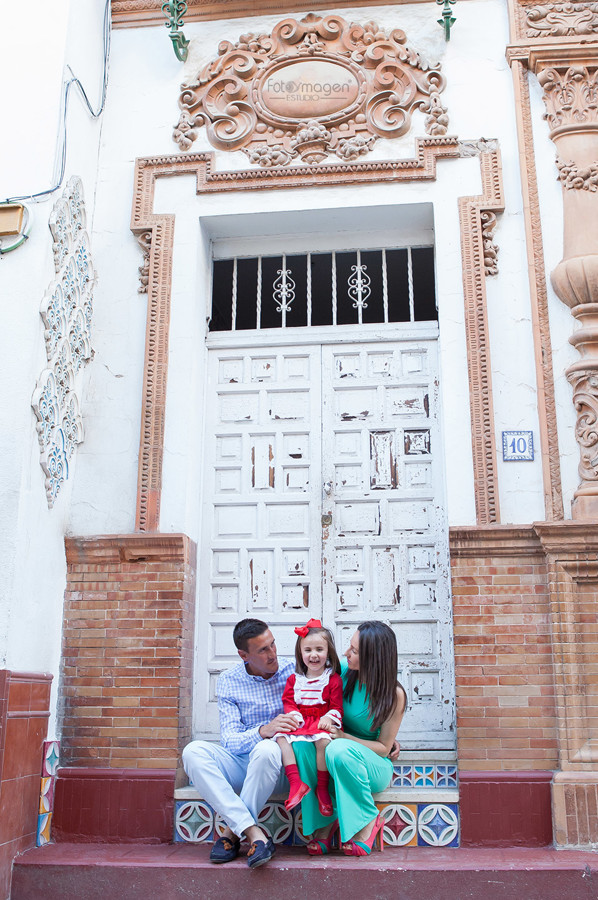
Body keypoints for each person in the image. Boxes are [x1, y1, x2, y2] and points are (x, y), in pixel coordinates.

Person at [182, 618, 299, 868]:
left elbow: (336, 689)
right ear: (244, 655)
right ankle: (253, 833)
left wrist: (381, 737)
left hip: (277, 765)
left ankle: (231, 834)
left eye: (273, 645)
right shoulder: (228, 681)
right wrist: (263, 730)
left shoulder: (294, 670)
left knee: (267, 749)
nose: (272, 654)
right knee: (193, 752)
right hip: (242, 762)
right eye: (263, 650)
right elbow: (231, 742)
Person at [292, 620, 406, 857]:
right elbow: (305, 667)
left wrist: (344, 737)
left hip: (372, 764)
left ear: (373, 658)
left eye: (354, 650)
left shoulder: (394, 695)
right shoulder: (343, 671)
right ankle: (325, 818)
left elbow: (384, 748)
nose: (346, 653)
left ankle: (367, 820)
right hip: (337, 753)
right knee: (303, 747)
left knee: (339, 749)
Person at [274, 618, 343, 816]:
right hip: (301, 721)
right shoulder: (295, 679)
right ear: (300, 653)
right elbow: (289, 701)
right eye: (308, 650)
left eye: (319, 649)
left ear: (328, 652)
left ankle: (322, 788)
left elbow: (337, 706)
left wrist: (329, 718)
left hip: (320, 720)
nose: (314, 655)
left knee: (322, 742)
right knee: (280, 738)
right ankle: (296, 782)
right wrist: (294, 714)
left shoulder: (332, 679)